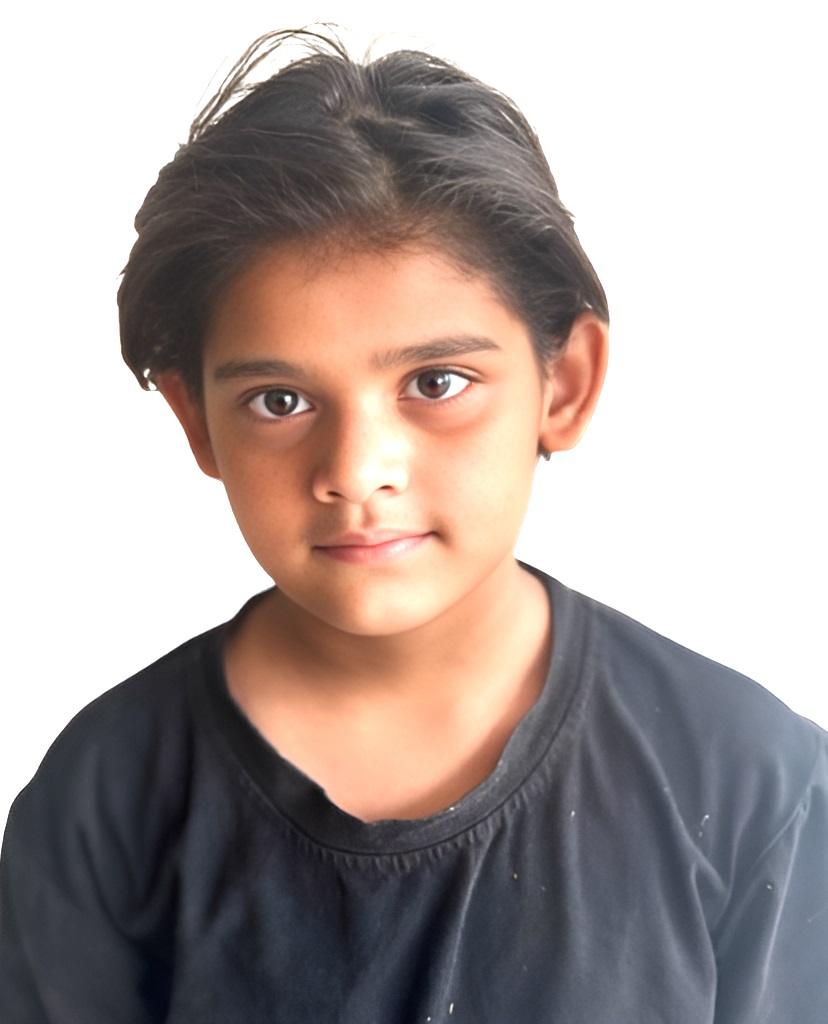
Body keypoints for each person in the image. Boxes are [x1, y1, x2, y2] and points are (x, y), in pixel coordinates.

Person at [1, 28, 826, 1023]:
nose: (356, 472)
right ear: (197, 420)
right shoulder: (105, 800)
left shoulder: (753, 784)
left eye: (436, 383)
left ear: (564, 384)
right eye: (278, 401)